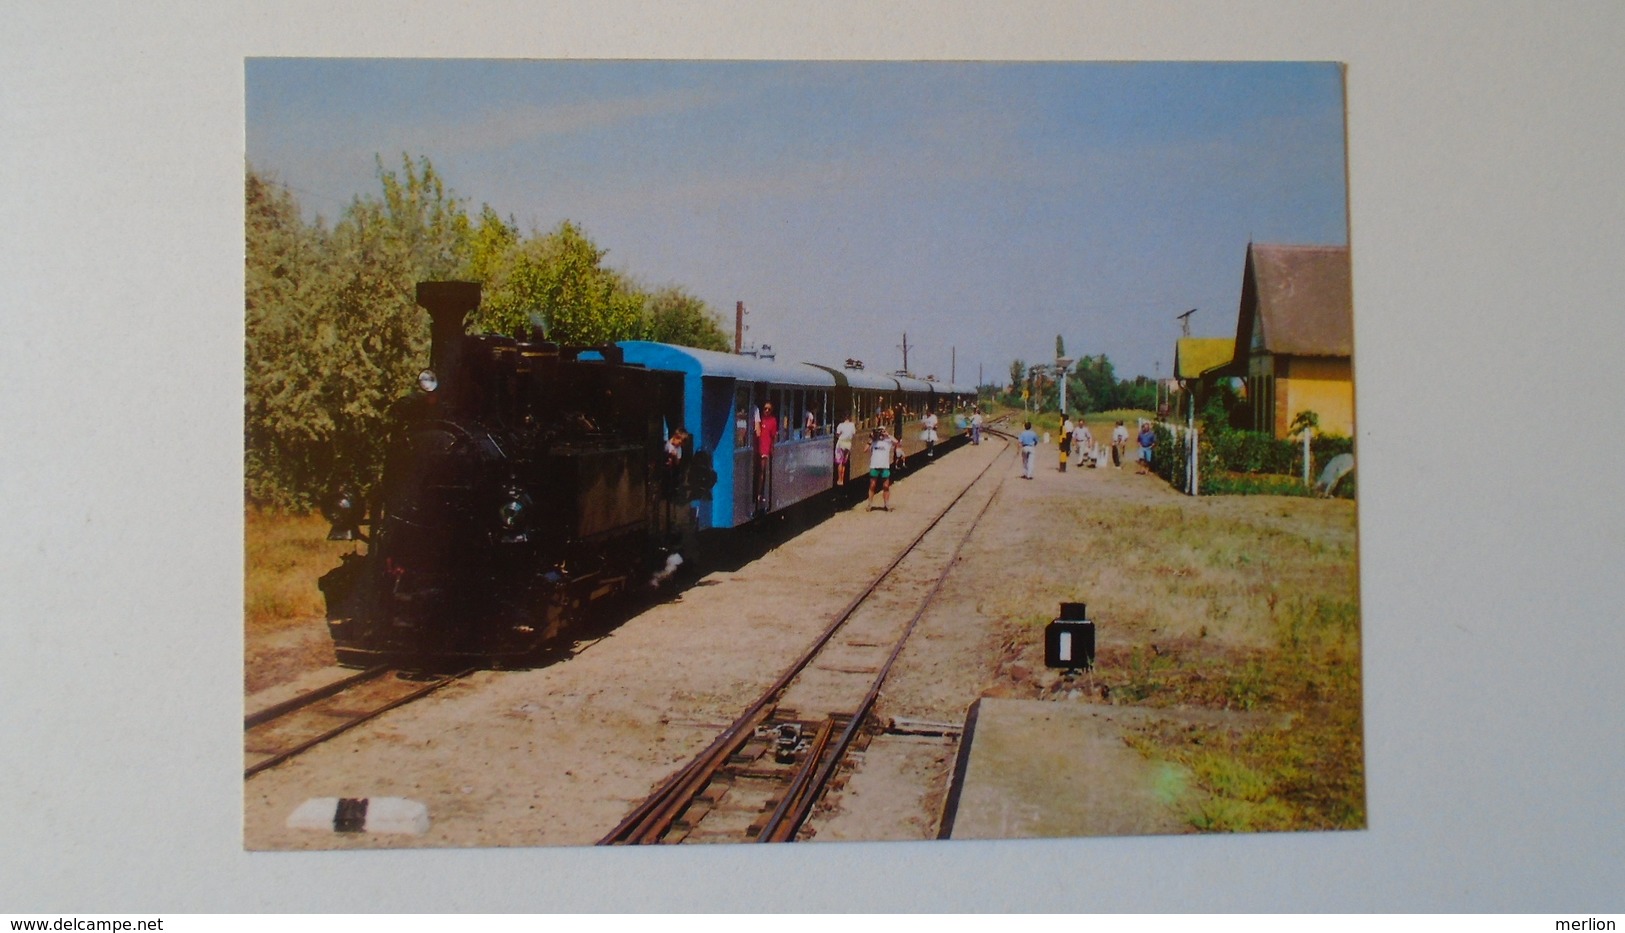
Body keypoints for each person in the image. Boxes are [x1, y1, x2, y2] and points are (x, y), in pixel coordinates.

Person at [865, 425, 897, 511]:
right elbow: (865, 450)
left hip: (884, 467)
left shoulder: (888, 441)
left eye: (882, 431)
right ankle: (870, 504)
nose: (881, 433)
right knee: (872, 485)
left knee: (886, 486)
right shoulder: (874, 441)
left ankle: (886, 504)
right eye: (879, 431)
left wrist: (888, 435)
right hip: (874, 466)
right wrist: (871, 439)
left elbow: (896, 442)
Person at [756, 401, 778, 510]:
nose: (767, 411)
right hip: (757, 447)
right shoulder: (760, 419)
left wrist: (771, 449)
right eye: (765, 409)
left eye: (769, 409)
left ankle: (760, 493)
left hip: (765, 447)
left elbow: (773, 436)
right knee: (758, 471)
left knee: (762, 471)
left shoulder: (773, 421)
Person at [834, 413, 856, 486]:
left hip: (841, 443)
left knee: (839, 462)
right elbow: (853, 434)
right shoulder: (852, 425)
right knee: (844, 462)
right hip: (848, 444)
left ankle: (839, 479)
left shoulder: (840, 425)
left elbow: (837, 434)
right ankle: (842, 479)